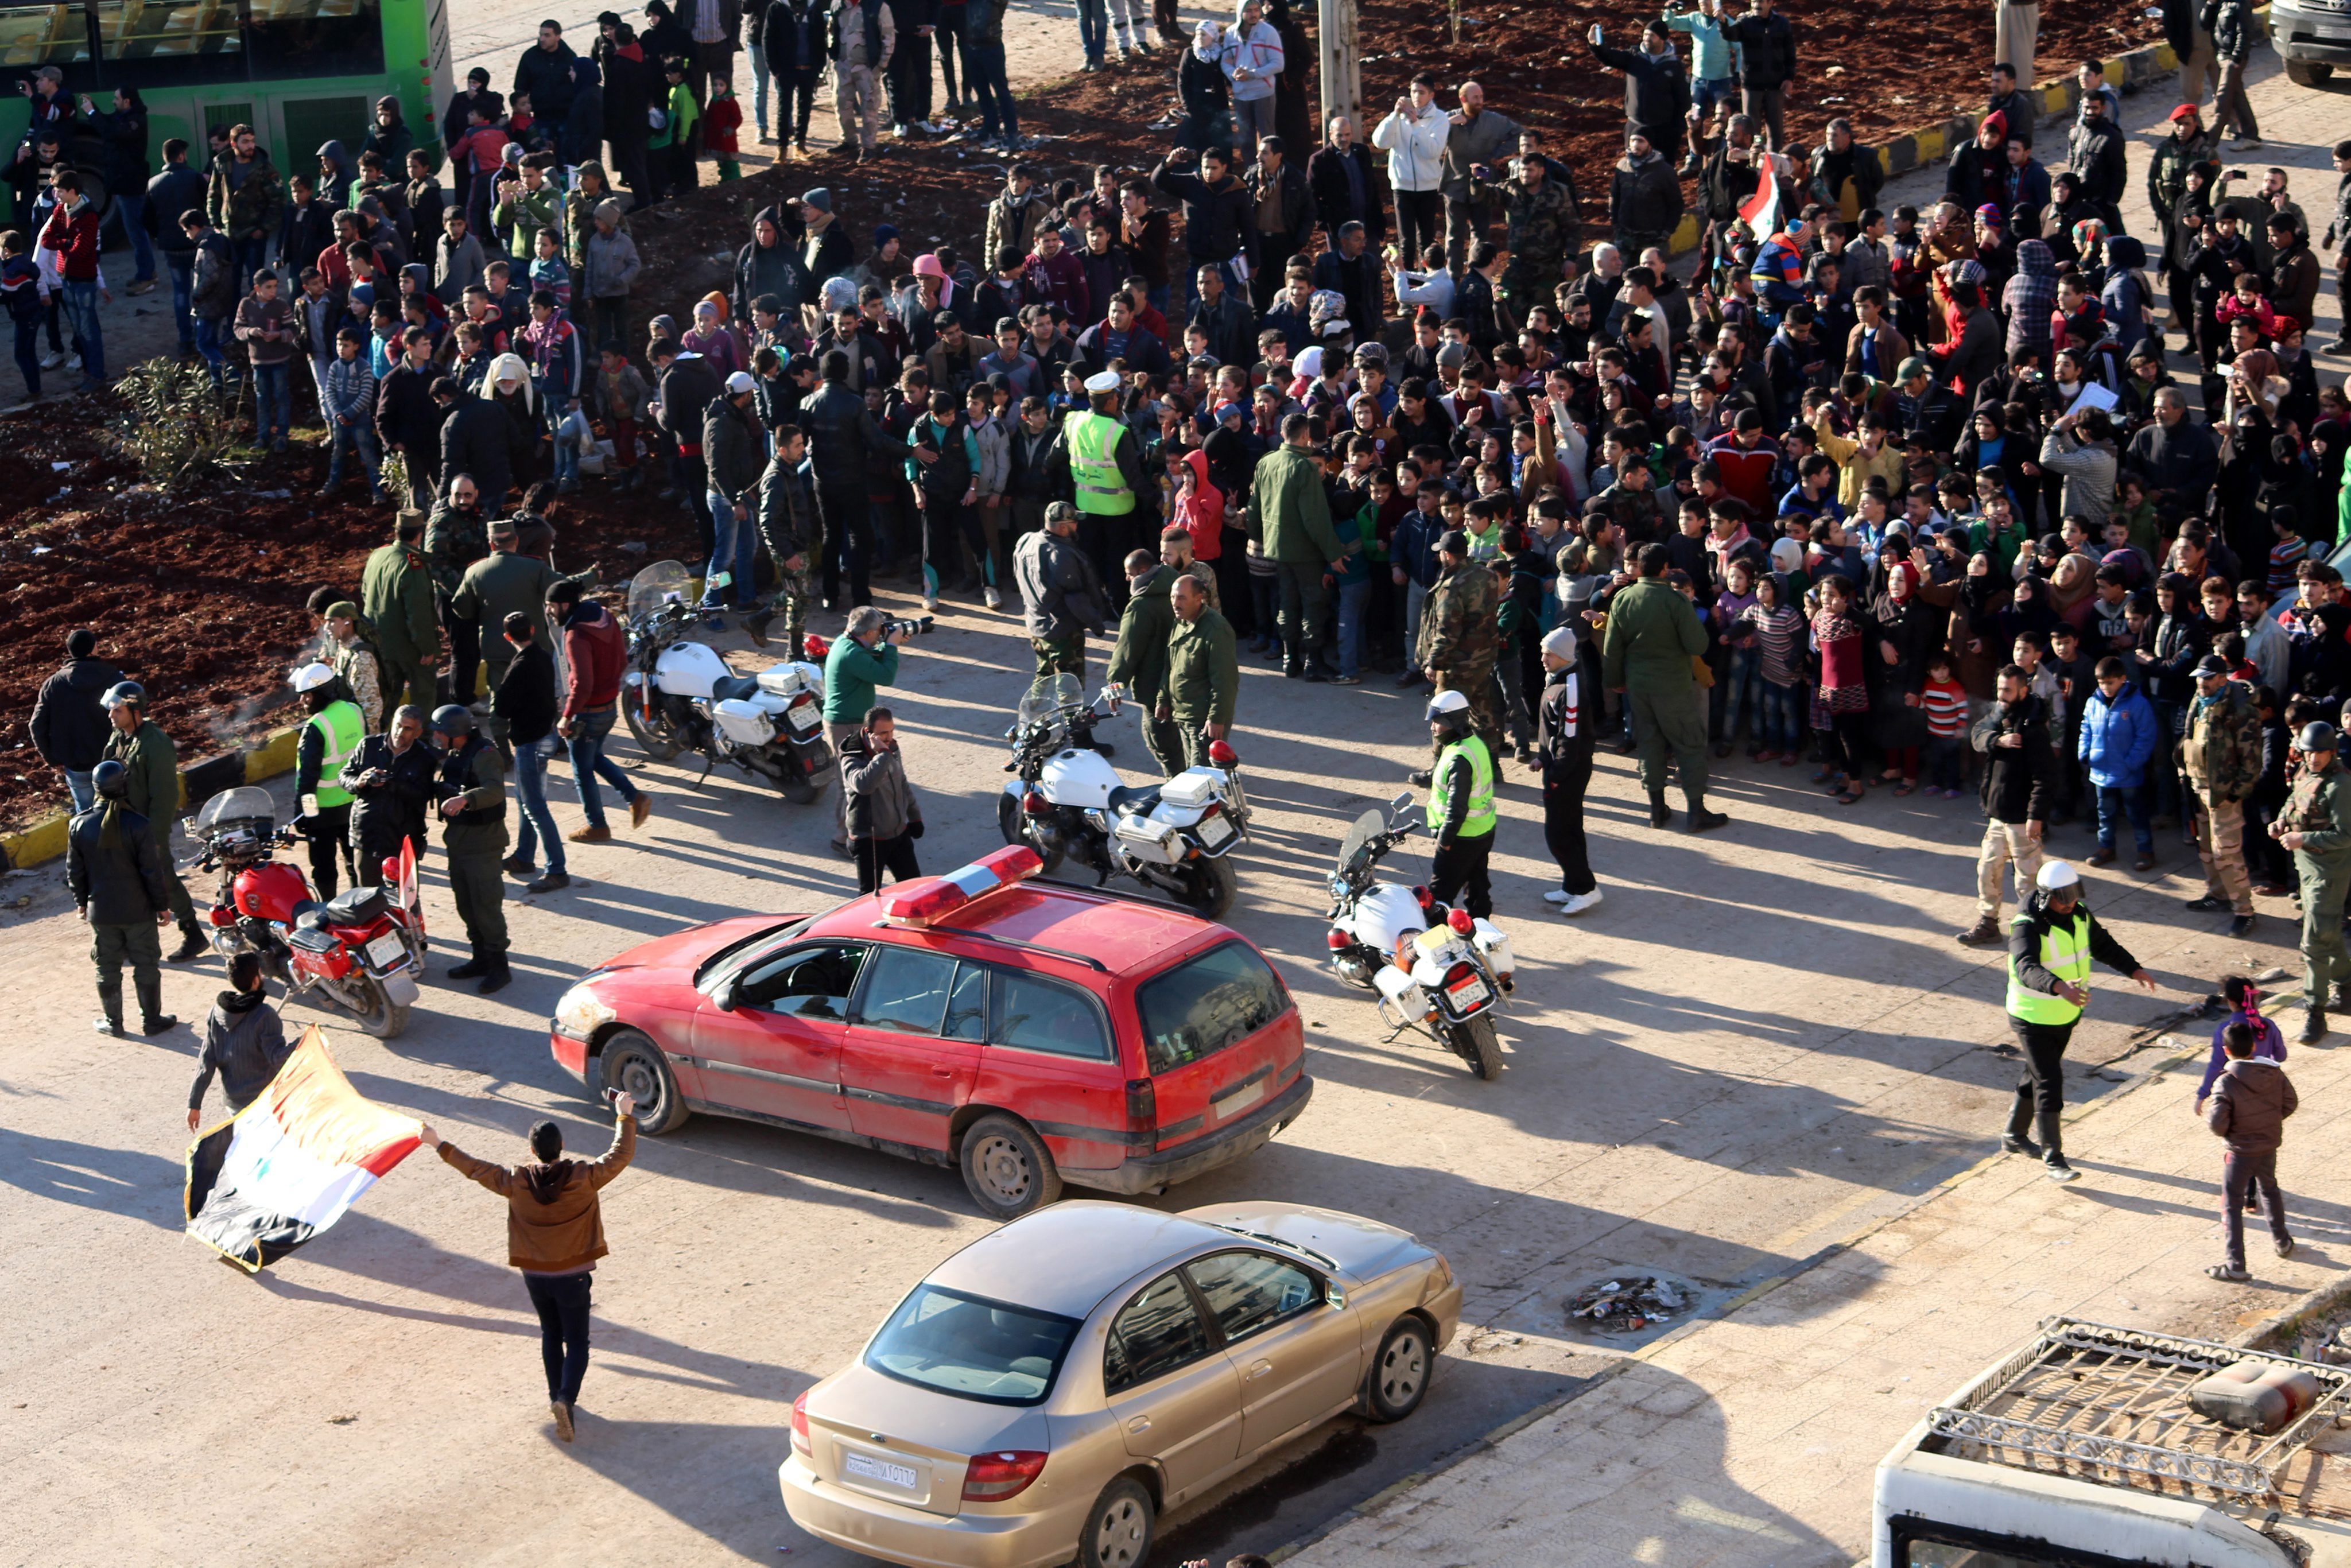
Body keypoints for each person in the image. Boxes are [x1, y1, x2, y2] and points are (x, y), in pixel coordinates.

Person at [417, 1092, 638, 1443]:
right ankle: (566, 1399)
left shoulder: (516, 1182)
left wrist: (437, 1143)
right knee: (577, 1339)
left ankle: (556, 1398)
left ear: (532, 1150)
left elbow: (475, 1168)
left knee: (551, 1334)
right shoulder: (584, 1177)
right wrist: (624, 1116)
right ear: (562, 1146)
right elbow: (621, 1155)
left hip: (535, 1275)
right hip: (574, 1274)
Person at [2001, 858, 2158, 1181]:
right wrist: (2059, 987)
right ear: (2045, 896)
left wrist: (2133, 968)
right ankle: (2053, 1158)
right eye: (2063, 897)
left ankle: (2014, 1136)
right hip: (2032, 1017)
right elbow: (2026, 967)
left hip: (2065, 1013)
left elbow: (2102, 944)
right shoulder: (2026, 925)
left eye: (2074, 894)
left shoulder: (2079, 913)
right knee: (2049, 1081)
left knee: (2036, 1074)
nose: (2070, 902)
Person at [1601, 542, 1724, 831]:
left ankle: (1657, 811)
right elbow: (1697, 644)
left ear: (1640, 568)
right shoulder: (1676, 600)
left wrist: (1615, 682)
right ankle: (1696, 812)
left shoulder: (1623, 599)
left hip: (1639, 687)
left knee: (1649, 744)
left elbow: (1612, 648)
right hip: (1673, 686)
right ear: (1665, 569)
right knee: (1689, 744)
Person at [67, 758, 178, 1039]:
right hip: (138, 910)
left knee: (106, 966)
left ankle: (113, 1022)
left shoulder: (79, 825)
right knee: (146, 963)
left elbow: (75, 871)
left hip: (101, 911)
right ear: (124, 787)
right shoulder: (139, 824)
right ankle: (152, 1020)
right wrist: (162, 906)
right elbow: (152, 871)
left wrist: (81, 901)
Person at [99, 681, 208, 962]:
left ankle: (193, 933)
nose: (111, 716)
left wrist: (155, 839)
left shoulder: (155, 744)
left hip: (145, 828)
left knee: (163, 880)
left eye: (118, 711)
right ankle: (133, 942)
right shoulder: (119, 736)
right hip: (122, 825)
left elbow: (165, 797)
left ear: (135, 710)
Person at [1245, 412, 1349, 681]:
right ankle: (1313, 662)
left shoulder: (1266, 462)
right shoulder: (1304, 468)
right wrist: (1334, 553)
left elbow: (1254, 507)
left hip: (1276, 548)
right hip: (1305, 550)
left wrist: (1256, 535)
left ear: (1283, 434)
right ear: (1305, 436)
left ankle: (1290, 660)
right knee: (1314, 602)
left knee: (1287, 602)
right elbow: (1315, 518)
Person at [549, 580, 652, 841]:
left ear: (565, 605)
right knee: (593, 757)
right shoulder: (606, 617)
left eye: (551, 606)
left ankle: (597, 826)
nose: (549, 612)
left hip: (588, 713)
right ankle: (634, 797)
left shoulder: (576, 636)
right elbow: (622, 658)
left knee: (581, 770)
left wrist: (567, 716)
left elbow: (582, 684)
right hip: (609, 707)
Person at [2270, 720, 2351, 1043]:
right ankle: (2346, 985)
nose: (2314, 758)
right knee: (2327, 932)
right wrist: (2280, 821)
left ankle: (2315, 1011)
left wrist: (2303, 837)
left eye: (2320, 753)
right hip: (2306, 868)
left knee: (2313, 943)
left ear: (2332, 752)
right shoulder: (2307, 773)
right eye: (2309, 752)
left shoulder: (2341, 787)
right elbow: (2293, 800)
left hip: (2329, 873)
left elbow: (2346, 834)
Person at [2203, 1018, 2297, 1280]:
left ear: (2226, 1051)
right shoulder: (2274, 1073)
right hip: (2268, 1146)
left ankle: (2236, 1265)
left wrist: (2234, 1132)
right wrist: (2268, 1123)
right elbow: (2290, 1102)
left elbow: (2216, 1124)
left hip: (2240, 1152)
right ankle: (2282, 1241)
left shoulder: (2226, 1082)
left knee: (2232, 1205)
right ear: (2254, 1046)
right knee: (2270, 1190)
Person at [2178, 654, 2261, 937]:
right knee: (2206, 850)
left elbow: (2251, 762)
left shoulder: (2241, 711)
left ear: (2222, 678)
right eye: (2199, 678)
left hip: (2223, 795)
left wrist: (2234, 794)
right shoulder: (2199, 700)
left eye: (2207, 678)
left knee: (2227, 854)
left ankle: (2244, 911)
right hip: (2199, 788)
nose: (2202, 683)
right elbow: (2188, 736)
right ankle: (2218, 895)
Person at [429, 703, 511, 993]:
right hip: (460, 844)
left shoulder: (485, 754)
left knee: (487, 905)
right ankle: (480, 958)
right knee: (466, 904)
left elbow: (495, 790)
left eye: (439, 731)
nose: (435, 736)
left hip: (483, 845)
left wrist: (466, 799)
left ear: (454, 732)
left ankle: (500, 966)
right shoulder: (457, 752)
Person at [491, 610, 568, 895]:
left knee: (535, 807)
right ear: (533, 630)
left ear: (507, 637)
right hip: (546, 737)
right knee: (526, 800)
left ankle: (557, 870)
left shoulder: (518, 667)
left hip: (530, 744)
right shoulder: (543, 656)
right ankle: (524, 857)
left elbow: (501, 708)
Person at [186, 950, 292, 1130]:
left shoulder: (217, 1012)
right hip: (263, 1101)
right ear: (256, 980)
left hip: (233, 1102)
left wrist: (194, 1104)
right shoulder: (264, 1015)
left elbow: (206, 1061)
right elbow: (278, 1058)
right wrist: (305, 1040)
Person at [1537, 625, 1600, 915]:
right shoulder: (1557, 680)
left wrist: (1556, 775)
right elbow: (1552, 730)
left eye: (1547, 654)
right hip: (1559, 768)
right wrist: (1542, 757)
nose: (1543, 659)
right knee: (1570, 828)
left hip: (1568, 773)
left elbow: (1569, 740)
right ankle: (1573, 885)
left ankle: (1586, 888)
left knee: (1558, 834)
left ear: (1562, 655)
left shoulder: (1569, 689)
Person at [288, 662, 364, 899]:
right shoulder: (354, 710)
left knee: (324, 868)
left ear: (319, 694)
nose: (303, 703)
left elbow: (308, 779)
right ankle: (362, 904)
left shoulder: (316, 727)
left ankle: (327, 911)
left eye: (307, 697)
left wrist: (303, 813)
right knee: (355, 860)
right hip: (354, 801)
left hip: (324, 811)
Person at [1015, 500, 1110, 681]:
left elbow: (1019, 579)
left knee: (1044, 678)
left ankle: (1036, 708)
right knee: (1069, 687)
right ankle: (1069, 711)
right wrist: (1096, 624)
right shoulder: (1061, 555)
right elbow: (1076, 599)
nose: (1078, 525)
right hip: (1062, 634)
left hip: (1037, 626)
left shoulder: (1026, 541)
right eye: (1075, 522)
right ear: (1064, 527)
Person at [30, 627, 121, 814]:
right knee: (120, 812)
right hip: (112, 763)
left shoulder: (53, 685)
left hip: (76, 766)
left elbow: (36, 725)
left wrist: (53, 758)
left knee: (88, 817)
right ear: (92, 650)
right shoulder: (113, 678)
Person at [1423, 688, 1496, 919]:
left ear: (1452, 722)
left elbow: (1457, 807)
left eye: (1438, 722)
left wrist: (1445, 841)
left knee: (1438, 898)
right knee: (1477, 888)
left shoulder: (1459, 758)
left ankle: (1435, 942)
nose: (1433, 727)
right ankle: (1481, 931)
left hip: (1461, 837)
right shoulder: (1474, 744)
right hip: (1483, 831)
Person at [1107, 549, 1180, 774]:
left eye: (1130, 574)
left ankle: (1179, 787)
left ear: (1142, 572)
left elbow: (1128, 650)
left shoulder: (1141, 607)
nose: (1127, 579)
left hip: (1155, 685)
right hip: (1186, 682)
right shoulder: (1178, 587)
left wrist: (1115, 685)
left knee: (1162, 743)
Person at [347, 704, 437, 887]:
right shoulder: (368, 745)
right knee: (366, 899)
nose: (400, 732)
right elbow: (345, 776)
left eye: (408, 729)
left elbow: (423, 796)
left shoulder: (425, 758)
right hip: (367, 838)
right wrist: (360, 781)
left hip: (401, 842)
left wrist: (392, 784)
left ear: (418, 733)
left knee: (403, 902)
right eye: (398, 725)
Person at [841, 706, 924, 892]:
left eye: (892, 731)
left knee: (915, 890)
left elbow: (902, 783)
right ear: (869, 734)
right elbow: (864, 785)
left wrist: (915, 817)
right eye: (883, 733)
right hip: (869, 840)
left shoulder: (891, 747)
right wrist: (883, 755)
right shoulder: (852, 756)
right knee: (869, 899)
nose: (889, 737)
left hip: (898, 833)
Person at [1164, 570, 1237, 772]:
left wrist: (1216, 718)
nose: (1175, 602)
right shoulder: (1180, 622)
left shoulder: (1216, 630)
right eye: (1172, 596)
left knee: (1201, 778)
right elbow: (1170, 665)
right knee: (1194, 774)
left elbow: (1225, 681)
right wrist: (1164, 700)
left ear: (1199, 599)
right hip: (1183, 716)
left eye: (1181, 597)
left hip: (1202, 721)